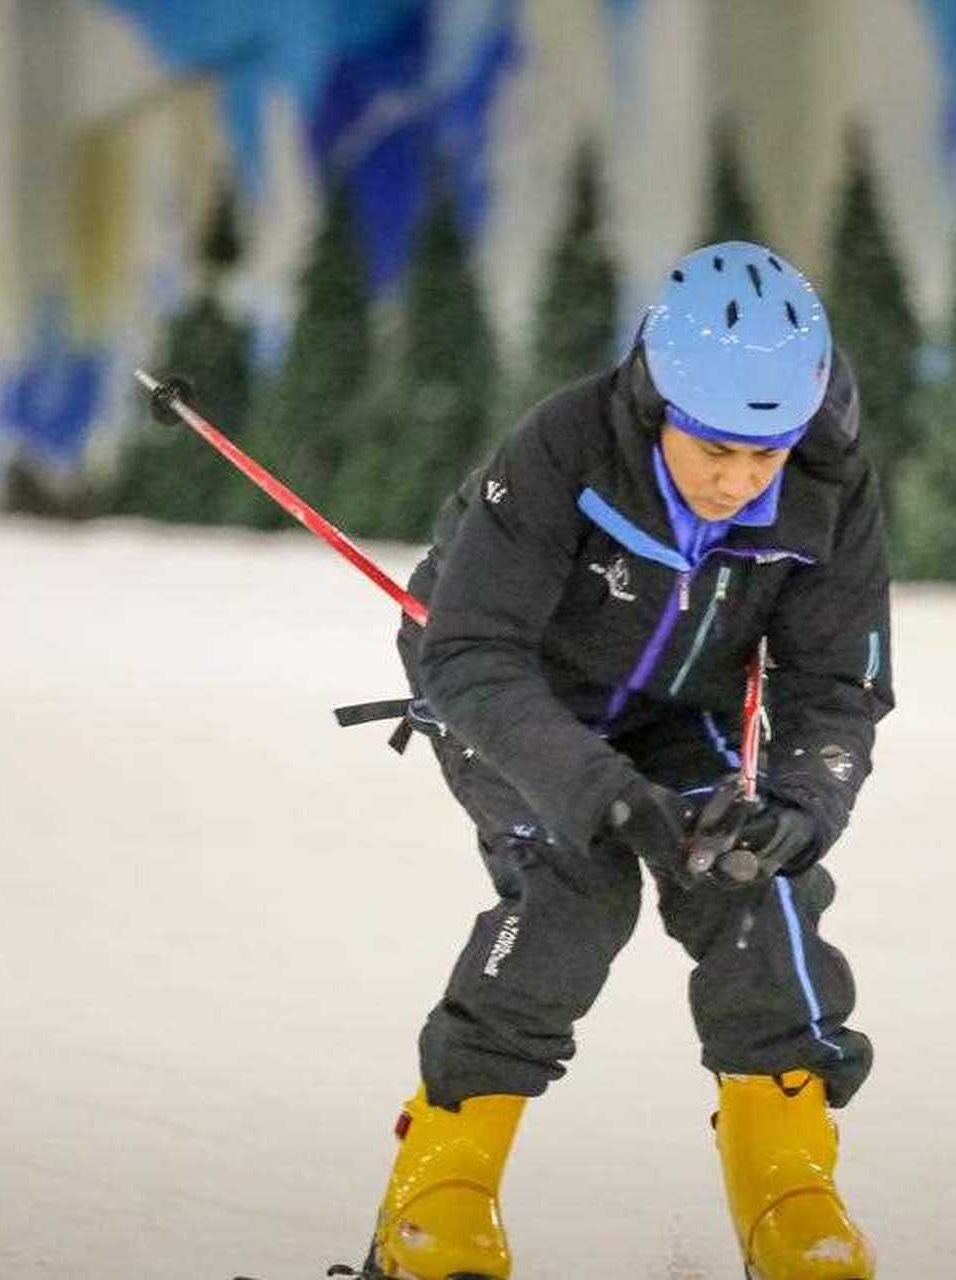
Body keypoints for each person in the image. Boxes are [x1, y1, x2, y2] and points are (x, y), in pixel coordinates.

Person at [361, 240, 893, 1279]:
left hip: (672, 712)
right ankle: (440, 1189)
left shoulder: (828, 479)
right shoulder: (561, 446)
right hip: (513, 697)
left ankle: (791, 1193)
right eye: (713, 452)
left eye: (764, 455)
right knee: (573, 888)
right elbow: (464, 651)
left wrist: (798, 800)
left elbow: (836, 682)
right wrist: (597, 795)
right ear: (656, 398)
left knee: (758, 888)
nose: (738, 482)